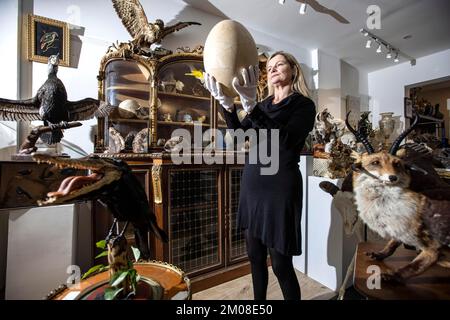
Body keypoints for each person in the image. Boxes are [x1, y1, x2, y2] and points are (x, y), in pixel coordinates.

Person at [204, 51, 316, 300]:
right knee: (254, 257)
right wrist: (227, 106)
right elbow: (240, 136)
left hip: (280, 187)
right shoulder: (263, 105)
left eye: (280, 64)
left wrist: (252, 107)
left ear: (293, 70)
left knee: (280, 265)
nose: (273, 69)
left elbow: (285, 143)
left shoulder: (303, 105)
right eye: (270, 67)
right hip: (253, 184)